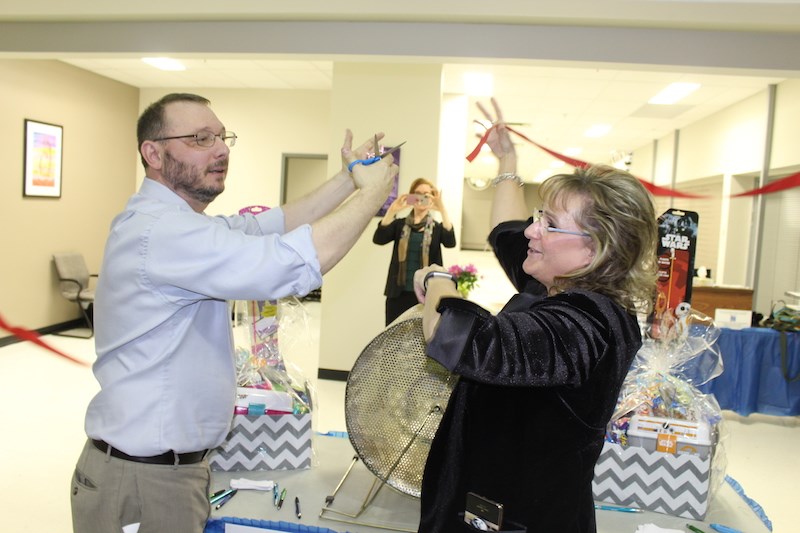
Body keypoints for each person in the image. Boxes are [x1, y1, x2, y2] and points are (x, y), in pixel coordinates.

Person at [70, 93, 396, 533]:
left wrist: (347, 178)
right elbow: (287, 265)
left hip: (165, 470)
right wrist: (372, 192)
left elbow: (274, 224)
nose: (221, 149)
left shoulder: (179, 223)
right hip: (144, 478)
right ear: (153, 153)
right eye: (201, 138)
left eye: (223, 137)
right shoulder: (162, 232)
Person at [412, 98, 658, 533]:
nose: (532, 230)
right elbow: (507, 230)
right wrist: (507, 160)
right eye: (539, 215)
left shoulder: (584, 325)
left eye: (550, 224)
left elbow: (453, 337)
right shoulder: (551, 286)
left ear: (596, 248)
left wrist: (437, 277)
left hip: (521, 517)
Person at [373, 177, 456, 325]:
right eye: (417, 193)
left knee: (423, 338)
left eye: (426, 194)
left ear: (432, 199)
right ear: (411, 196)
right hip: (398, 293)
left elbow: (450, 242)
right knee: (394, 337)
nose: (421, 198)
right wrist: (392, 210)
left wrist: (441, 208)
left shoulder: (436, 228)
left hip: (426, 293)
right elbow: (379, 239)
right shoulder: (400, 225)